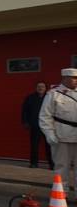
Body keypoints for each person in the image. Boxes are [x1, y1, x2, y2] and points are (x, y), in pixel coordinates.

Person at [39, 68, 77, 200]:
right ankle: (62, 195)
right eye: (73, 78)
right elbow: (45, 116)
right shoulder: (54, 94)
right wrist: (49, 134)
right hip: (61, 136)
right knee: (61, 168)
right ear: (64, 78)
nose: (76, 81)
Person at [22, 82, 54, 169]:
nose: (40, 88)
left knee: (49, 146)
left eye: (42, 86)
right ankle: (34, 163)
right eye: (39, 86)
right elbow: (25, 111)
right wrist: (25, 122)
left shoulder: (49, 98)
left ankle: (52, 164)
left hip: (47, 126)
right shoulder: (30, 98)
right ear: (36, 88)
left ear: (45, 88)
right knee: (34, 146)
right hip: (35, 125)